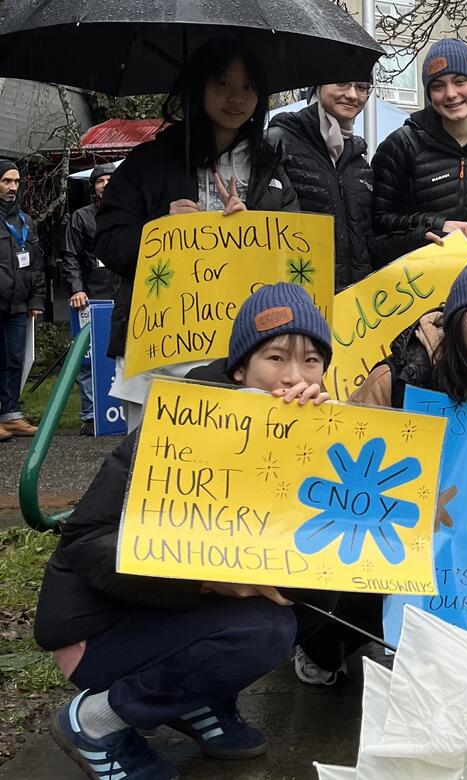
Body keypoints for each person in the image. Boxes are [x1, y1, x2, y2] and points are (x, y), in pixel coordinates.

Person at [35, 283, 331, 780]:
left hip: (177, 617)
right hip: (100, 628)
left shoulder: (315, 431)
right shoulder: (180, 424)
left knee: (320, 588)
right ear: (241, 369)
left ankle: (197, 699)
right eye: (276, 357)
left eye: (312, 361)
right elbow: (88, 543)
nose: (293, 378)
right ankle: (95, 720)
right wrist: (206, 580)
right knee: (266, 629)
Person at [285, 259, 467, 686]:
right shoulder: (398, 377)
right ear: (456, 318)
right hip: (392, 524)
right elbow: (348, 464)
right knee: (351, 599)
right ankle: (321, 644)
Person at [95, 38, 298, 428]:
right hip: (159, 353)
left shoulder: (271, 168)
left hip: (246, 353)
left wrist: (252, 229)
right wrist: (159, 232)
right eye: (223, 83)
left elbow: (295, 255)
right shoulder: (148, 162)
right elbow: (109, 242)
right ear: (198, 86)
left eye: (248, 87)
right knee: (156, 474)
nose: (236, 98)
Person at [268, 82, 430, 288]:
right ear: (317, 86)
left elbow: (367, 247)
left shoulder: (358, 163)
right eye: (342, 83)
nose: (353, 95)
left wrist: (418, 238)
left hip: (354, 306)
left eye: (362, 87)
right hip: (300, 303)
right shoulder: (278, 144)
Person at [372, 39, 467, 258]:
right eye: (438, 86)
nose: (450, 94)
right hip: (416, 278)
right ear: (430, 95)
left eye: (460, 81)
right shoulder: (402, 144)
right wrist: (436, 225)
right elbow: (377, 220)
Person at [62, 163, 118, 436]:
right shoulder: (80, 217)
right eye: (100, 180)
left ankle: (122, 411)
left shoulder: (126, 214)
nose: (105, 184)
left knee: (122, 355)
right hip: (90, 298)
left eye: (110, 179)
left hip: (121, 296)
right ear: (93, 187)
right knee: (89, 359)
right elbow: (70, 256)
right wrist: (76, 289)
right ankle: (90, 415)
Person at [0, 159, 44, 441]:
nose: (12, 187)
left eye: (16, 182)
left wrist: (36, 300)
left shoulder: (25, 222)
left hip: (18, 306)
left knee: (14, 360)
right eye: (6, 181)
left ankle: (10, 415)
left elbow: (36, 266)